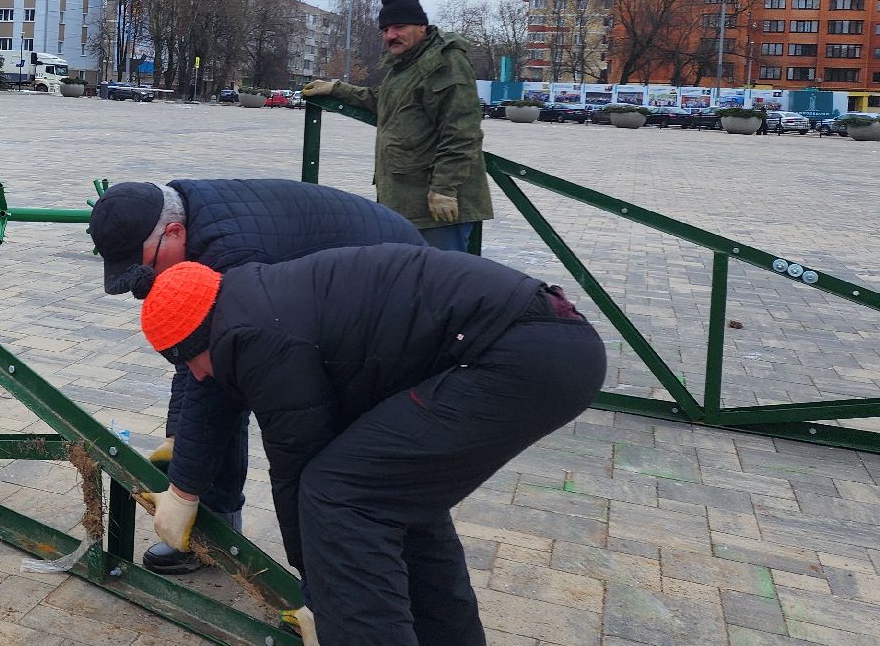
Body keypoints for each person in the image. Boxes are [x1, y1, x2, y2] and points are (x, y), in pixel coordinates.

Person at [140, 243, 605, 646]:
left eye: (188, 362)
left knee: (339, 496)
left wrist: (319, 597)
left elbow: (297, 469)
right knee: (397, 504)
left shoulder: (257, 340)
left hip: (519, 356)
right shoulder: (242, 303)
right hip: (542, 342)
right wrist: (186, 487)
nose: (197, 375)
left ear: (205, 339)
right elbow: (210, 393)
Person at [86, 178, 424, 574]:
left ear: (174, 232)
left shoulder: (230, 255)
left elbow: (218, 390)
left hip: (392, 306)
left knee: (330, 467)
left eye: (146, 269)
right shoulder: (184, 218)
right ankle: (217, 533)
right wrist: (180, 437)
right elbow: (195, 360)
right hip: (352, 280)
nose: (147, 285)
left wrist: (183, 490)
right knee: (220, 382)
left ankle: (344, 588)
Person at [302, 0, 493, 252]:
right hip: (406, 202)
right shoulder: (405, 65)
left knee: (441, 285)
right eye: (385, 30)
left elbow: (462, 131)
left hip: (435, 209)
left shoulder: (443, 62)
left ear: (421, 26)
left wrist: (444, 189)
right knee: (412, 282)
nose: (390, 35)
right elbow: (386, 103)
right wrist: (337, 90)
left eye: (399, 27)